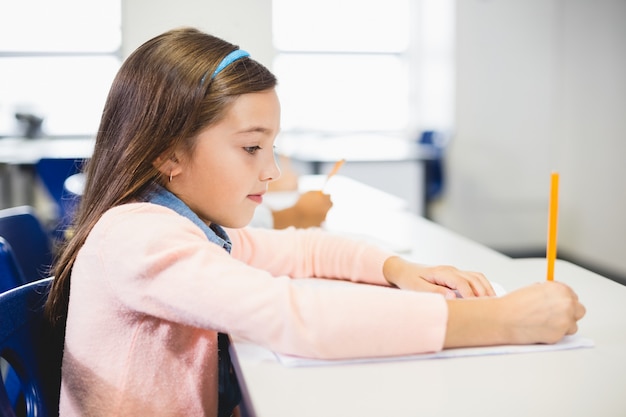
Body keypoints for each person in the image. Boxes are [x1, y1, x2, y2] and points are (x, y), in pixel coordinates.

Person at [45, 27, 585, 417]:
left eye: (271, 147)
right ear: (169, 154)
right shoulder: (141, 237)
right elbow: (294, 315)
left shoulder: (178, 225)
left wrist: (398, 268)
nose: (273, 170)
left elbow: (303, 252)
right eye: (252, 147)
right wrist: (502, 321)